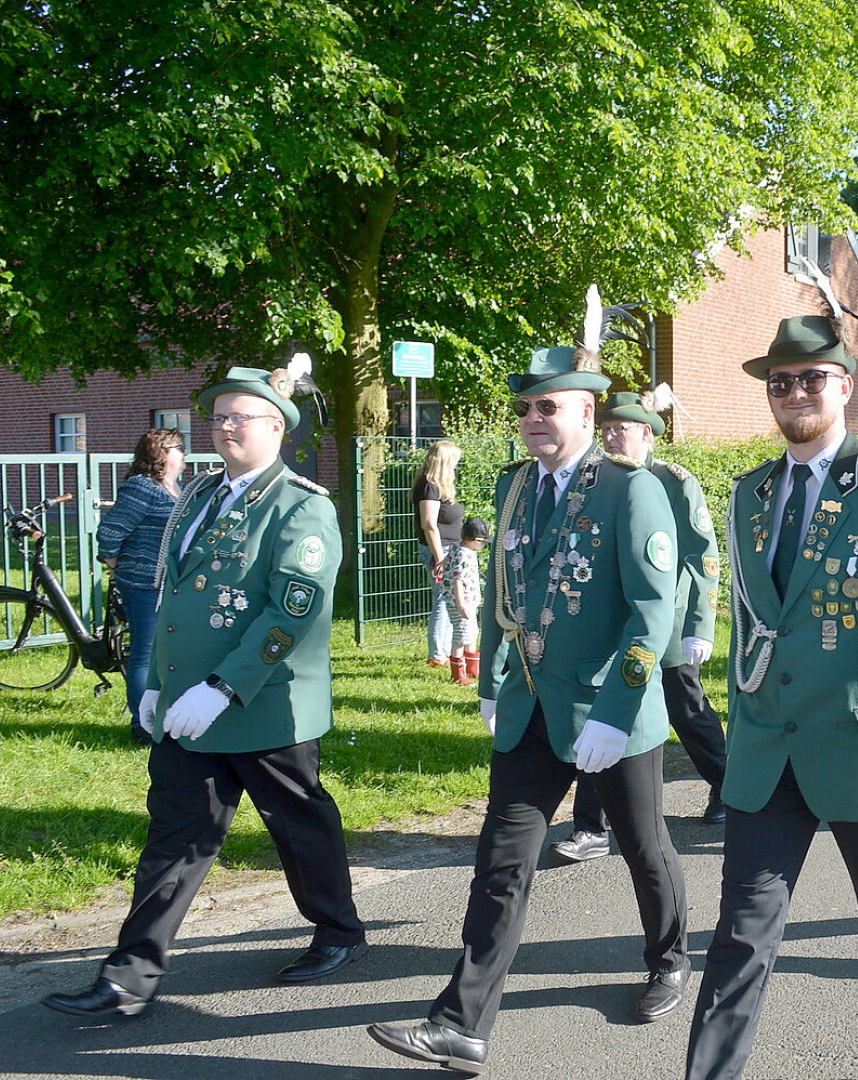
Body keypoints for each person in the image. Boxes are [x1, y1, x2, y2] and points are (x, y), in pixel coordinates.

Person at [367, 341, 687, 1073]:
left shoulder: (630, 490)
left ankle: (669, 960)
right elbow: (504, 601)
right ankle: (461, 1023)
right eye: (524, 408)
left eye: (548, 406)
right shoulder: (515, 487)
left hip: (611, 713)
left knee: (643, 846)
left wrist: (617, 707)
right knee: (501, 864)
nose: (532, 419)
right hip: (531, 709)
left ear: (585, 411)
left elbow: (650, 612)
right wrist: (489, 684)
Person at [685, 314, 858, 1080]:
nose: (795, 392)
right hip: (767, 751)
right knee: (740, 933)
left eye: (812, 378)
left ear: (844, 386)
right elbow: (755, 628)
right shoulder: (750, 492)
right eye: (780, 382)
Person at [43, 364, 364, 1018]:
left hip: (266, 705)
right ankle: (129, 977)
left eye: (238, 416)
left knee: (299, 826)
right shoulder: (197, 496)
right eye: (216, 416)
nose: (223, 426)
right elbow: (174, 595)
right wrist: (160, 682)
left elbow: (292, 612)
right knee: (174, 837)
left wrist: (222, 688)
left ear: (276, 427)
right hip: (190, 709)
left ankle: (338, 931)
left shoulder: (302, 506)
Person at [550, 389, 730, 863]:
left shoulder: (675, 481)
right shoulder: (592, 482)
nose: (610, 436)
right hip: (609, 629)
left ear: (646, 434)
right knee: (600, 714)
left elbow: (702, 555)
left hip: (664, 626)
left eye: (621, 429)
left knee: (685, 711)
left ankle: (726, 785)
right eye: (606, 428)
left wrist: (700, 624)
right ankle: (591, 826)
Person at [97, 428, 185, 743]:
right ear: (161, 453)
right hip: (144, 583)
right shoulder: (141, 487)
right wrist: (115, 564)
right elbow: (110, 532)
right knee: (145, 654)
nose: (183, 453)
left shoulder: (178, 487)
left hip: (170, 584)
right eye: (178, 447)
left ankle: (164, 716)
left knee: (167, 652)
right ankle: (142, 725)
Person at [414, 440, 466, 669]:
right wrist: (439, 557)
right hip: (440, 550)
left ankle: (443, 651)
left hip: (450, 549)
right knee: (443, 600)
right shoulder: (429, 487)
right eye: (454, 461)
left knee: (448, 600)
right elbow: (429, 524)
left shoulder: (439, 486)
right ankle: (438, 654)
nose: (456, 466)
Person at [442, 516, 491, 686]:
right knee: (461, 636)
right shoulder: (464, 555)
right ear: (476, 541)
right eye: (483, 542)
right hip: (462, 603)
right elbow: (457, 579)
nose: (484, 546)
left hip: (469, 601)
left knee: (471, 633)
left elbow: (447, 560)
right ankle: (458, 674)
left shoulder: (459, 548)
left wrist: (441, 564)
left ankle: (473, 669)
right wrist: (461, 603)